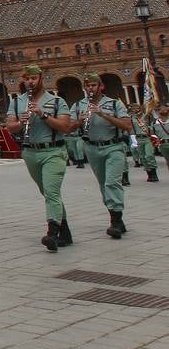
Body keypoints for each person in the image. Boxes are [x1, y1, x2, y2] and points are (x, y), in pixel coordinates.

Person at [4, 64, 76, 252]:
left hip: (53, 151)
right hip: (30, 152)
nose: (30, 82)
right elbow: (10, 127)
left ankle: (52, 233)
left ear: (41, 79)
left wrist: (43, 115)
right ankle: (65, 232)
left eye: (34, 78)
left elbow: (65, 127)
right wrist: (21, 122)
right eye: (27, 78)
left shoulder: (56, 101)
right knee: (48, 192)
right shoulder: (17, 102)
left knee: (51, 191)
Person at [73, 73, 132, 239]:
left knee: (112, 182)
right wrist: (78, 122)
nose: (90, 89)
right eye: (88, 86)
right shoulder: (79, 105)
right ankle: (115, 216)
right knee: (103, 183)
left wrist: (103, 114)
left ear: (101, 86)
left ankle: (116, 220)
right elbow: (68, 127)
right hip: (92, 148)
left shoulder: (114, 104)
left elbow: (127, 125)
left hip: (113, 146)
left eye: (93, 85)